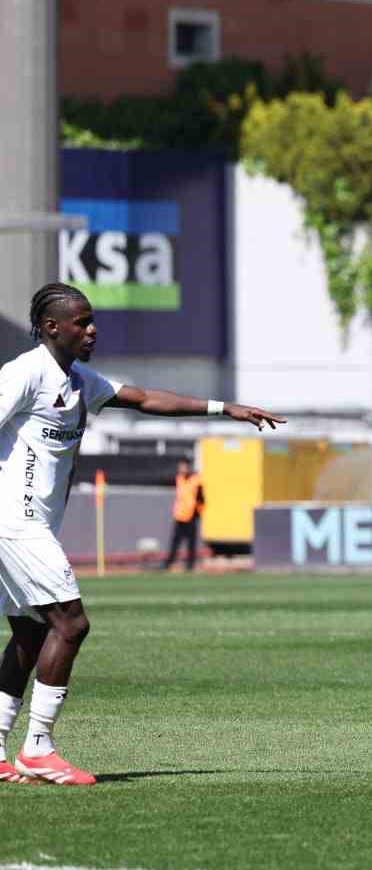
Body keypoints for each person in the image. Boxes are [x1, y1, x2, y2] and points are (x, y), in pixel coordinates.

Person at [0, 283, 284, 785]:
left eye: (92, 320)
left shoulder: (79, 380)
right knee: (71, 623)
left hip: (33, 524)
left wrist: (225, 409)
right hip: (14, 522)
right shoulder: (25, 373)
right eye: (82, 322)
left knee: (30, 631)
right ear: (51, 328)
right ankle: (38, 748)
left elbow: (147, 398)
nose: (92, 330)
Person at [164, 458, 204, 572]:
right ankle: (169, 563)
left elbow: (201, 499)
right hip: (179, 515)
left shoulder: (196, 480)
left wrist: (198, 514)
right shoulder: (179, 478)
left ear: (188, 467)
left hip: (191, 516)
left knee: (191, 543)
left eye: (183, 466)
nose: (181, 469)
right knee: (175, 542)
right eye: (180, 467)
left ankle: (190, 565)